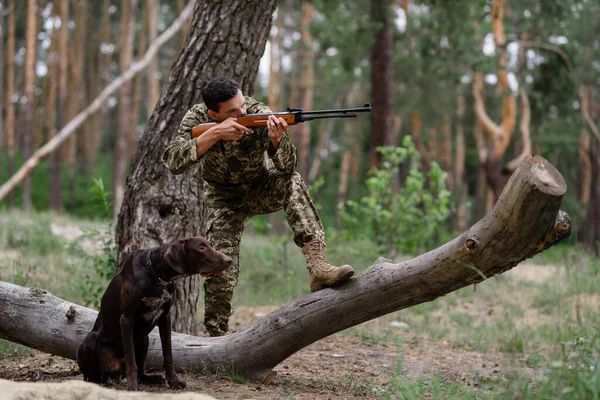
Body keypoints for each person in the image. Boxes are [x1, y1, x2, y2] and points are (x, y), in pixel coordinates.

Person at [162, 76, 354, 337]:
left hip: (260, 188)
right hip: (223, 199)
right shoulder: (197, 118)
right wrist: (215, 133)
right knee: (219, 267)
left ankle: (317, 266)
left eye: (242, 105)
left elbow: (287, 169)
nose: (242, 112)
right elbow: (173, 161)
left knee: (292, 182)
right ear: (212, 113)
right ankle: (217, 337)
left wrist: (278, 141)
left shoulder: (260, 113)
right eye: (232, 111)